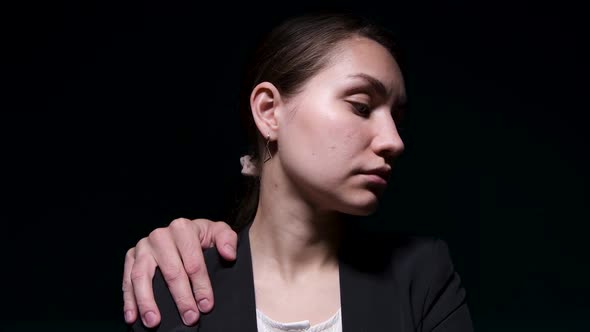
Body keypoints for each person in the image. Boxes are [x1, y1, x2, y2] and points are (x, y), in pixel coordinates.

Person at [125, 11, 474, 331]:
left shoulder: (422, 275)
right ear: (268, 111)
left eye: (396, 119)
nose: (394, 142)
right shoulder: (180, 277)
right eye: (362, 106)